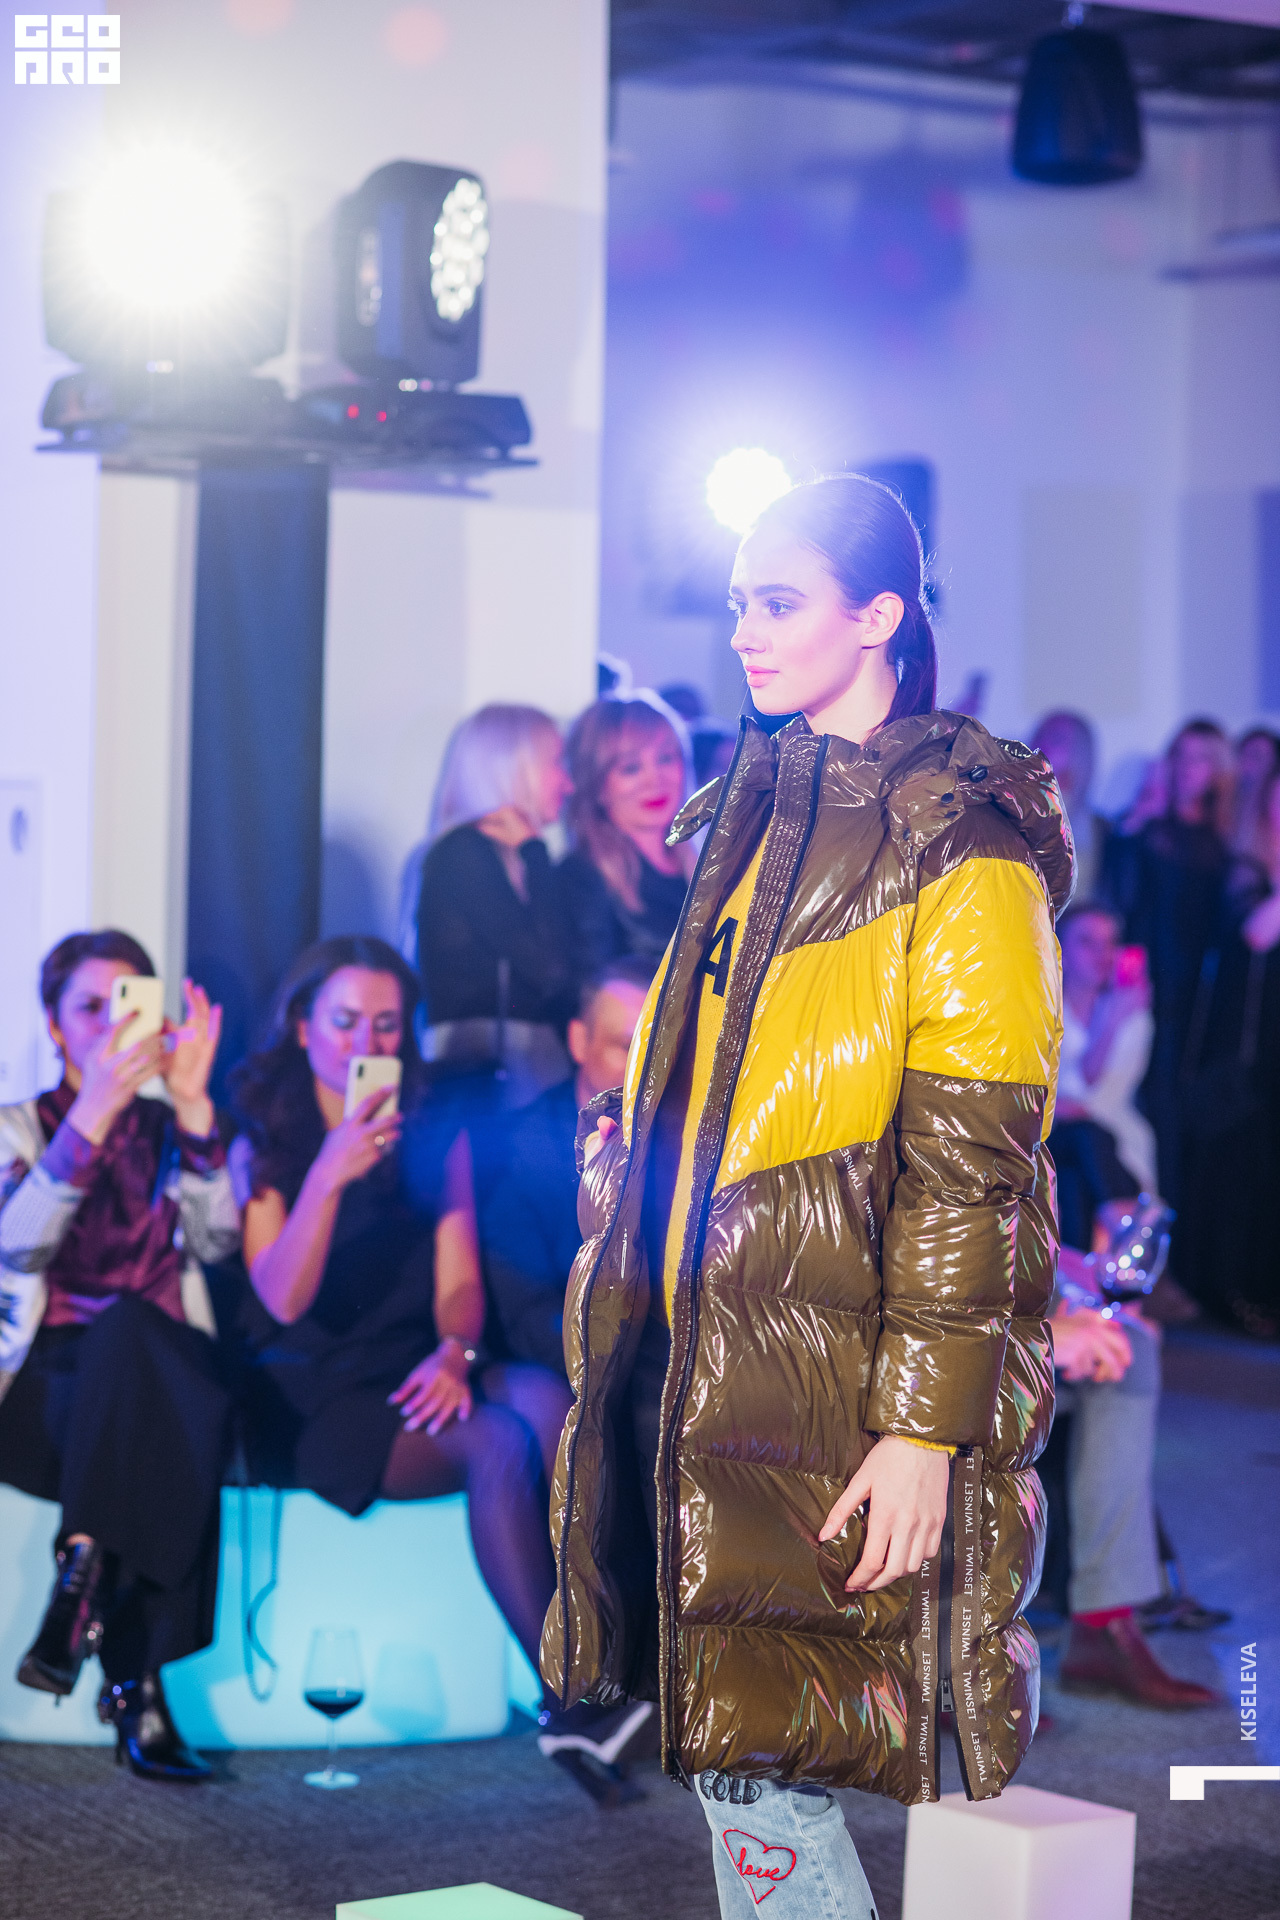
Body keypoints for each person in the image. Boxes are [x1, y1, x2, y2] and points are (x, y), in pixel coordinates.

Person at [542, 473, 1069, 1917]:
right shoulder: (748, 822)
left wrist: (922, 1428)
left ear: (880, 614)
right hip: (700, 1349)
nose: (745, 635)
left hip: (830, 1372)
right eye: (737, 605)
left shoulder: (963, 848)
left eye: (778, 603)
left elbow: (974, 1172)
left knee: (756, 1760)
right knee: (732, 1749)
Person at [228, 938, 650, 1786]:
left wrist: (457, 1352)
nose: (367, 1042)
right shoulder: (264, 1140)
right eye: (345, 1021)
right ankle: (566, 1701)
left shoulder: (427, 1129)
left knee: (548, 1402)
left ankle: (617, 1655)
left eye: (386, 1024)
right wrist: (330, 1174)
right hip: (317, 1389)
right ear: (303, 1026)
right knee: (496, 1445)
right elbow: (280, 1297)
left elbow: (459, 1282)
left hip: (419, 1360)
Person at [0, 930, 240, 1782]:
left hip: (158, 1371)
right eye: (89, 1007)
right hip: (46, 1392)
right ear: (54, 1026)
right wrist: (93, 1113)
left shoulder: (172, 1127)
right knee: (130, 1359)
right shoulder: (20, 1127)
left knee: (140, 1343)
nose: (109, 1024)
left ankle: (80, 1576)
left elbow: (217, 1242)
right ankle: (140, 1690)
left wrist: (195, 1105)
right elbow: (18, 1248)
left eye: (126, 1004)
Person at [480, 959, 652, 1482]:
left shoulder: (681, 1140)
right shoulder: (516, 1147)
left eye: (654, 1047)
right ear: (579, 1041)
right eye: (626, 1047)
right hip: (558, 1367)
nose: (643, 1067)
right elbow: (524, 1313)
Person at [1048, 1249, 1219, 1707]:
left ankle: (1102, 1622)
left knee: (1127, 1346)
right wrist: (1037, 1336)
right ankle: (943, 1658)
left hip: (995, 1292)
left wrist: (1074, 1289)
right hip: (930, 1326)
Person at [414, 704, 577, 1108]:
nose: (569, 783)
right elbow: (551, 968)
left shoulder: (477, 854)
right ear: (514, 768)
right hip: (493, 1073)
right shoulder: (463, 853)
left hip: (514, 1064)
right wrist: (535, 851)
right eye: (557, 762)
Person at [1104, 718, 1232, 1211]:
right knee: (1155, 1108)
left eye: (1202, 758)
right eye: (1182, 755)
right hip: (1155, 990)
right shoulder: (1151, 832)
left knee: (1200, 1113)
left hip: (1209, 998)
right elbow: (1127, 913)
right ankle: (1161, 1228)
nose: (1189, 768)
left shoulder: (1226, 838)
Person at [1178, 760, 1280, 1338]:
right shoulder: (1246, 870)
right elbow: (1257, 933)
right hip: (1246, 1052)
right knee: (1245, 1174)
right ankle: (1235, 1291)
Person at [560, 696, 694, 976]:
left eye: (665, 759)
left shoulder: (708, 865)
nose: (654, 780)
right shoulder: (582, 876)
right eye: (631, 768)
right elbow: (593, 987)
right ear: (596, 783)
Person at [1050, 903, 1157, 1252]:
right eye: (1087, 942)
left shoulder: (1133, 1018)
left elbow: (1093, 1093)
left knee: (1076, 1169)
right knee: (1081, 1141)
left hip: (1112, 1138)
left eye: (1110, 942)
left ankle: (1077, 1272)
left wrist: (1110, 1018)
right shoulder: (1042, 1010)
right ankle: (1129, 1234)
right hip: (1051, 1134)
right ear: (1059, 947)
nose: (1102, 953)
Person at [1031, 711, 1113, 903]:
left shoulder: (1104, 832)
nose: (1044, 746)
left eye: (1057, 739)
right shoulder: (1012, 819)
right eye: (1041, 737)